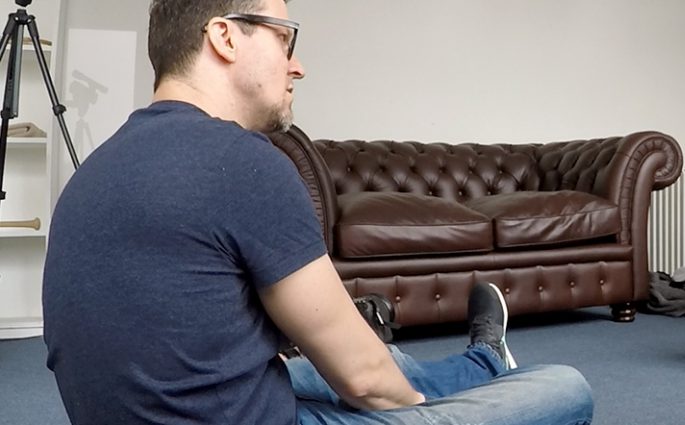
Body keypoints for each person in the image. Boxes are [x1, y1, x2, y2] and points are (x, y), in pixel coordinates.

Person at [41, 0, 593, 424]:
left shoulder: (93, 171)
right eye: (285, 39)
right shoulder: (242, 160)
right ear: (225, 37)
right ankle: (483, 377)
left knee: (374, 362)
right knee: (563, 388)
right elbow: (366, 382)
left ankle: (485, 360)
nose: (298, 66)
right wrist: (421, 412)